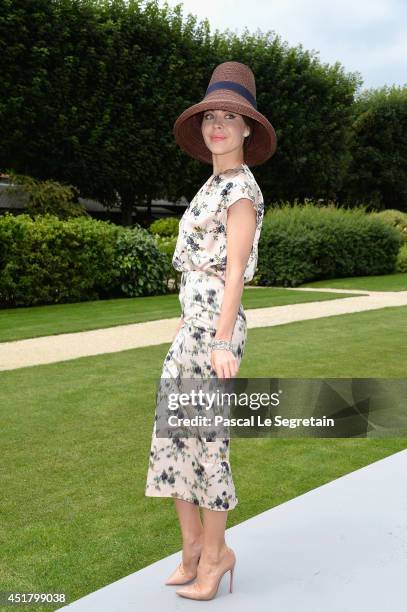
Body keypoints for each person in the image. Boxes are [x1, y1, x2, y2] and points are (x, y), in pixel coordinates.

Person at [144, 60, 277, 600]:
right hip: (191, 329)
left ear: (248, 128)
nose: (217, 124)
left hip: (215, 332)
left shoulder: (241, 189)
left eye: (230, 116)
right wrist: (183, 326)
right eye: (210, 116)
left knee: (208, 444)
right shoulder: (211, 184)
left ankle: (218, 556)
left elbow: (234, 272)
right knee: (173, 438)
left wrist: (221, 340)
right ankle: (192, 548)